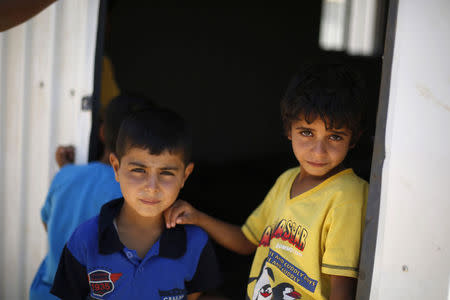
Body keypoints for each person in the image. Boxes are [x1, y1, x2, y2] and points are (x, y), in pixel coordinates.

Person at [165, 64, 368, 300]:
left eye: (334, 136)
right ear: (288, 130)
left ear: (353, 139)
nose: (319, 150)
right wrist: (198, 217)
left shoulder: (348, 196)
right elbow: (247, 240)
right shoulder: (287, 180)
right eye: (307, 132)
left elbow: (343, 288)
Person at [51, 108, 222, 300]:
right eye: (139, 170)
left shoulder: (195, 243)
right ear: (116, 168)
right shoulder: (85, 240)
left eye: (166, 173)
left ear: (185, 176)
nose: (151, 187)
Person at [30, 95, 154, 300]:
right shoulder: (138, 195)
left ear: (102, 133)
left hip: (47, 291)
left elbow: (47, 221)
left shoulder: (65, 176)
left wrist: (67, 171)